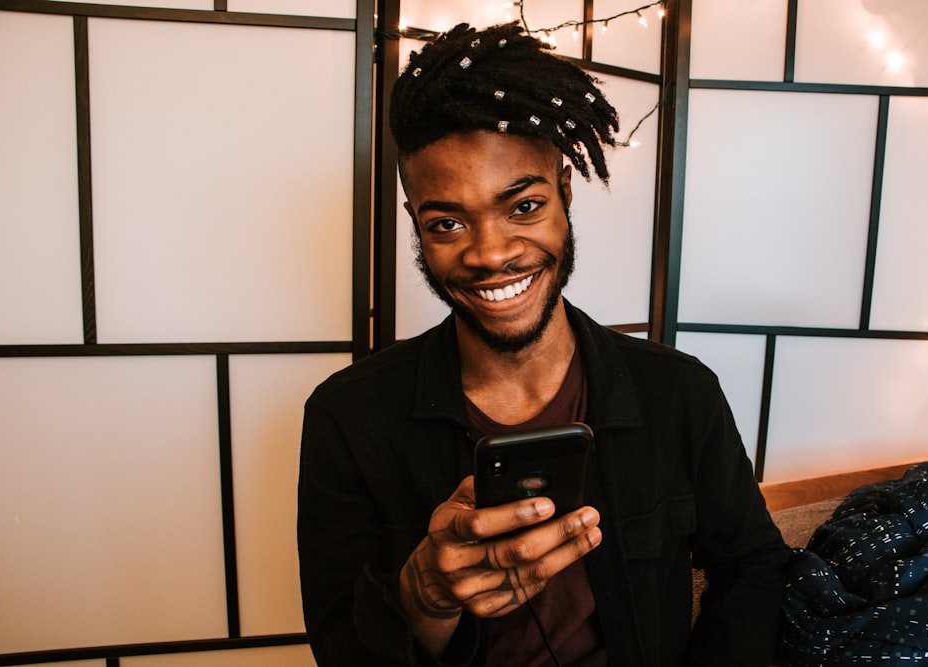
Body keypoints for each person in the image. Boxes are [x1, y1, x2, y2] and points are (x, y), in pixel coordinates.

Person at [297, 22, 789, 666]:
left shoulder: (678, 392)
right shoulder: (349, 417)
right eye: (447, 222)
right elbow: (340, 653)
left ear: (564, 195)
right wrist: (425, 598)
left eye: (523, 206)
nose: (492, 253)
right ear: (417, 229)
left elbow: (755, 567)